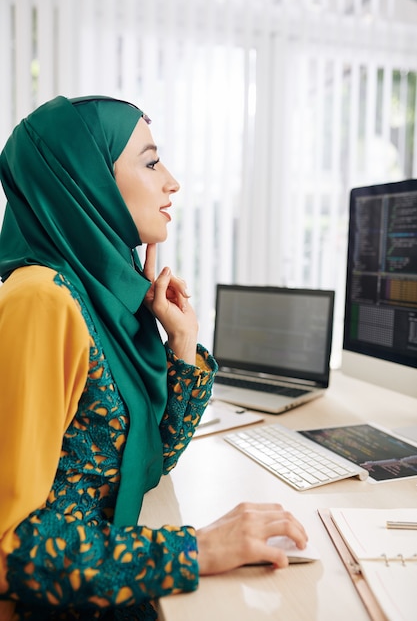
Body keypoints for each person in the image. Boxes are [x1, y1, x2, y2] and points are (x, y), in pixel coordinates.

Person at [0, 95, 308, 621]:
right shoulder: (42, 300)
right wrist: (198, 548)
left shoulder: (96, 297)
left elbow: (142, 465)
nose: (172, 181)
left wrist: (182, 344)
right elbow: (10, 551)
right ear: (87, 180)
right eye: (150, 161)